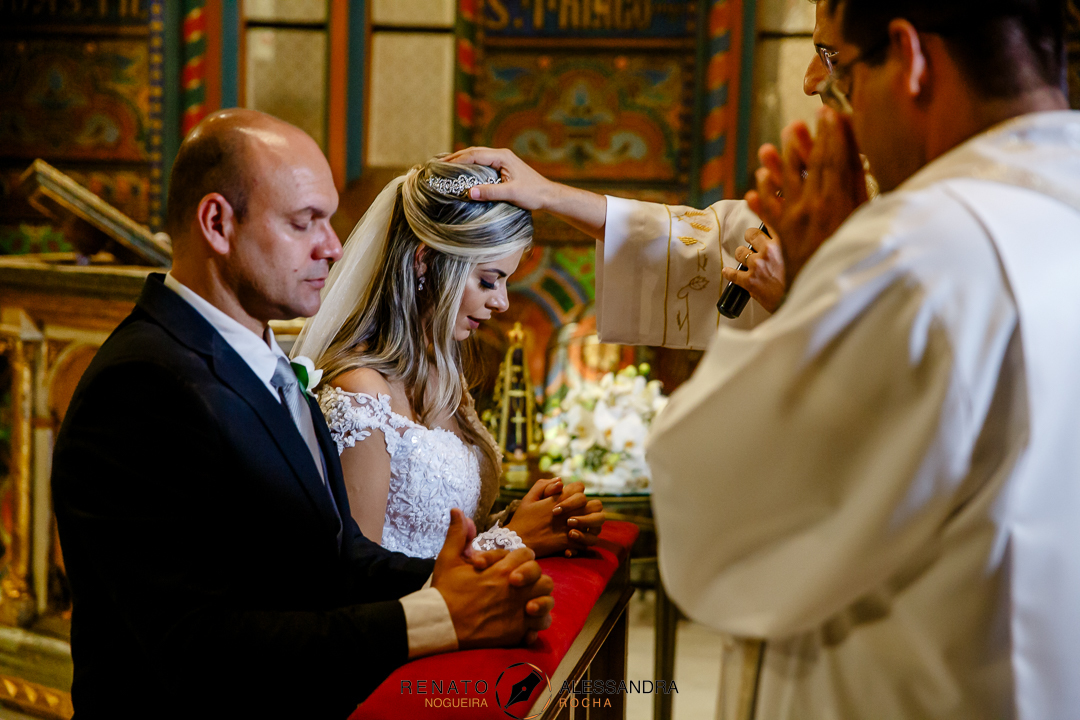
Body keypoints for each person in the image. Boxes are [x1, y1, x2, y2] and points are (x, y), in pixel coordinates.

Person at [454, 0, 1080, 717]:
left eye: (836, 58)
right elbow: (721, 239)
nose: (815, 83)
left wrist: (820, 291)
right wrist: (552, 195)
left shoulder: (915, 246)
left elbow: (714, 523)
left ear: (910, 61)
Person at [50, 109, 555, 719]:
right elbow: (193, 648)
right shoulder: (142, 385)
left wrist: (470, 574)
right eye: (304, 222)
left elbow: (333, 556)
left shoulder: (263, 358)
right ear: (217, 222)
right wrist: (432, 619)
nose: (334, 246)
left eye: (330, 219)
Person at [289, 159, 606, 561]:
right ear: (424, 261)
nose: (502, 302)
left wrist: (526, 520)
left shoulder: (443, 374)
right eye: (488, 280)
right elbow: (359, 572)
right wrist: (513, 539)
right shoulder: (361, 395)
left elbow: (441, 533)